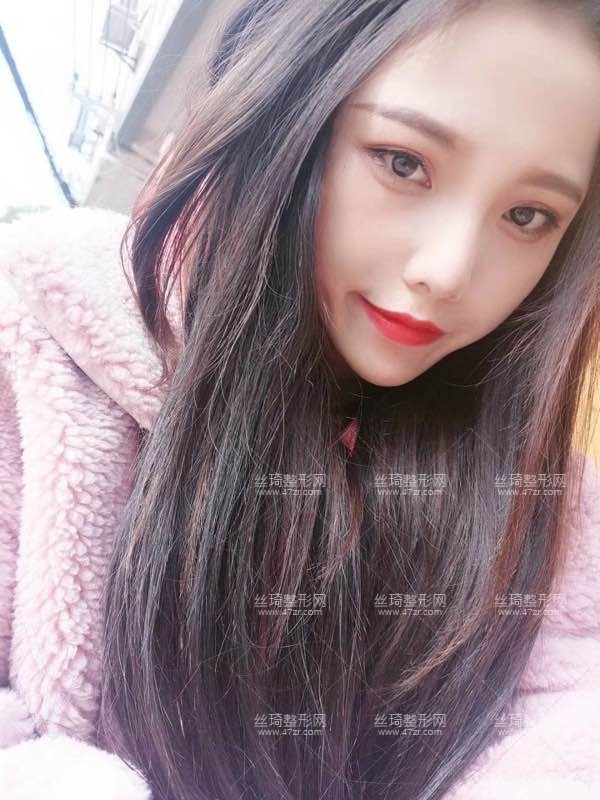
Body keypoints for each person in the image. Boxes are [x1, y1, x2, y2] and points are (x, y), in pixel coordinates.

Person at [1, 0, 600, 798]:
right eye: (403, 162)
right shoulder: (42, 356)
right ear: (288, 111)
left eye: (528, 216)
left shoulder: (547, 508)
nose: (449, 271)